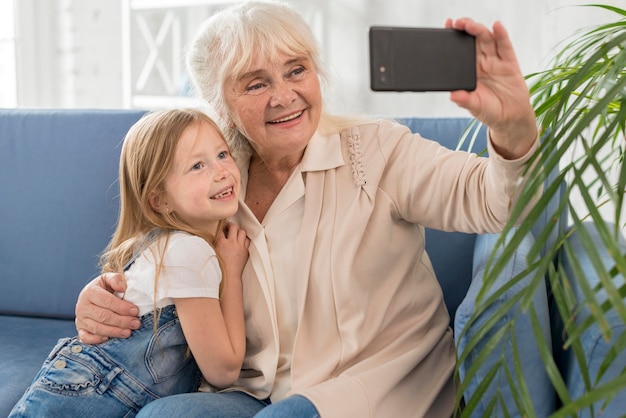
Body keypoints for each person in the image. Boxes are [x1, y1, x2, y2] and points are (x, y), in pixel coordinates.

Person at [74, 1, 540, 417]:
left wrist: (513, 127)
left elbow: (495, 203)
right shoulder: (210, 183)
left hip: (373, 388)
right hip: (253, 391)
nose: (283, 95)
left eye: (296, 71)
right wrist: (103, 298)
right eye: (256, 84)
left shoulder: (376, 150)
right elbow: (160, 262)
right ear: (222, 106)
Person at [10, 109, 249, 417]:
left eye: (222, 154)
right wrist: (232, 271)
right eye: (197, 166)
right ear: (159, 200)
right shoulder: (190, 253)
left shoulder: (160, 244)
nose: (221, 171)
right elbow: (224, 369)